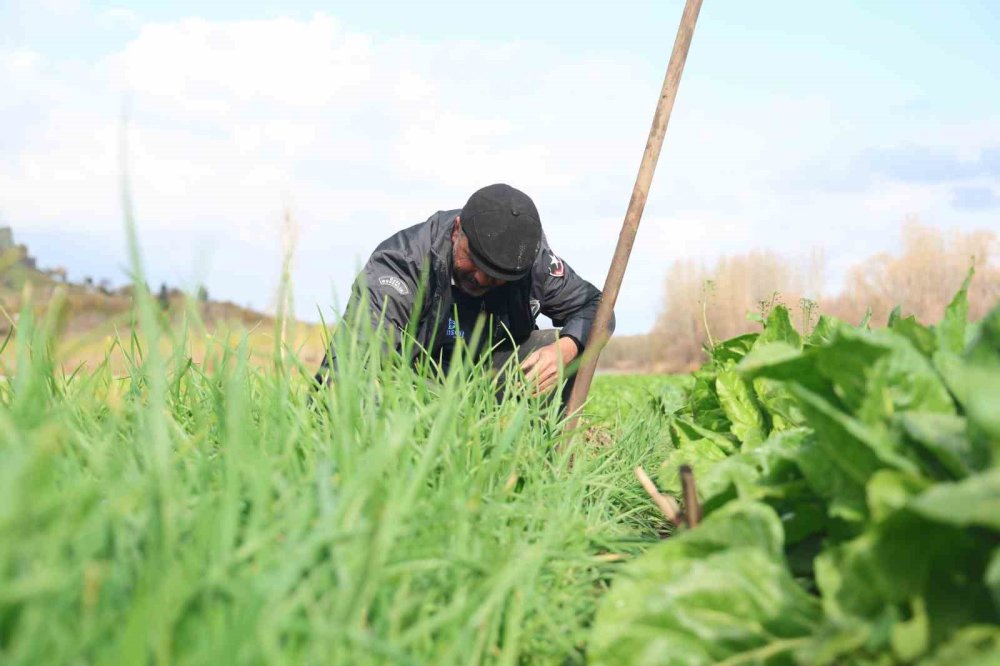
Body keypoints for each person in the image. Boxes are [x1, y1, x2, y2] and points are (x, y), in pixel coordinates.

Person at [314, 183, 613, 406]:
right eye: (476, 260)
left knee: (561, 343)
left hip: (486, 376)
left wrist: (567, 349)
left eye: (498, 275)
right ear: (458, 230)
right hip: (418, 385)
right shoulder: (403, 262)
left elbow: (597, 307)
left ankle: (540, 455)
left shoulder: (535, 265)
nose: (482, 278)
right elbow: (353, 360)